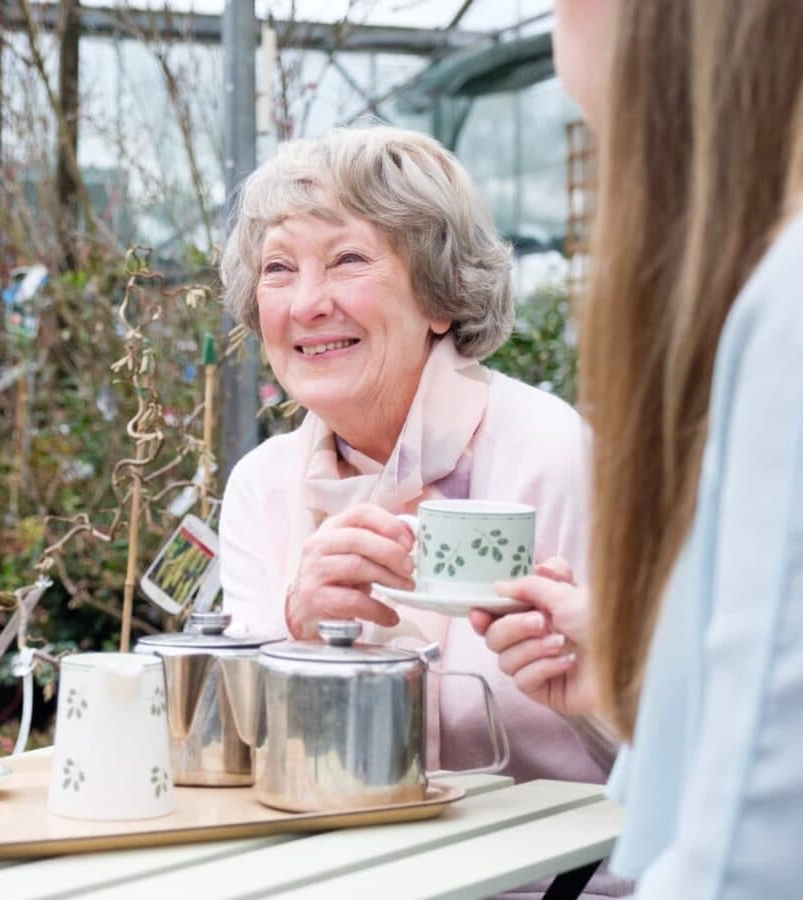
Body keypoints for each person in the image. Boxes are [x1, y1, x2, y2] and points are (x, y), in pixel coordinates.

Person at [218, 124, 629, 899]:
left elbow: (688, 752)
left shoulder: (554, 456)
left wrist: (595, 689)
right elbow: (232, 759)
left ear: (440, 298)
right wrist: (294, 625)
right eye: (279, 268)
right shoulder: (263, 487)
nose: (308, 303)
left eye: (347, 260)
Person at [472, 0, 803, 895]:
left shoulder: (784, 315)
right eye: (276, 267)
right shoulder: (274, 474)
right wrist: (651, 679)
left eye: (348, 261)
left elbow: (749, 848)